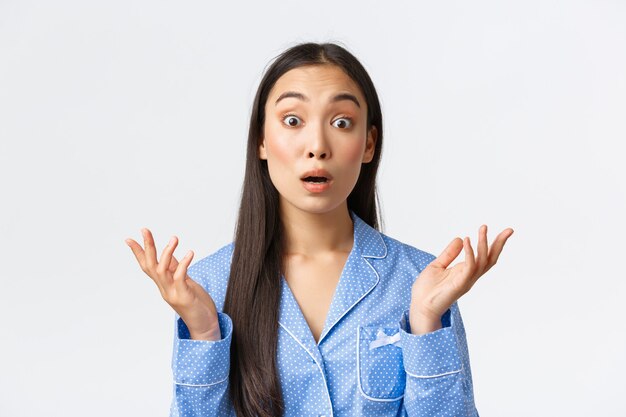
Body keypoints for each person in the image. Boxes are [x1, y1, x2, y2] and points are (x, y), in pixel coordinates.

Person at [125, 42, 513, 417]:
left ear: (368, 144)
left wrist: (426, 321)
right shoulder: (210, 285)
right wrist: (205, 330)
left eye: (341, 122)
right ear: (261, 139)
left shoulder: (418, 281)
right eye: (292, 120)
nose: (317, 145)